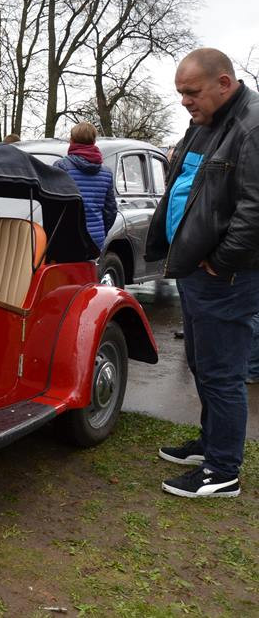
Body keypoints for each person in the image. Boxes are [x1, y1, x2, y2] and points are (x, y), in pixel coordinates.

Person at [146, 48, 259, 499]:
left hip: (226, 276)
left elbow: (255, 209)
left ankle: (223, 471)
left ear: (224, 83)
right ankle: (211, 444)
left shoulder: (251, 127)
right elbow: (184, 188)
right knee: (201, 363)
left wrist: (222, 261)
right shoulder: (205, 125)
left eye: (191, 92)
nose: (184, 101)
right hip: (196, 268)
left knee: (222, 372)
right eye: (180, 93)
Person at [52, 122, 117, 251]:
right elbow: (110, 210)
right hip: (95, 239)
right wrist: (101, 232)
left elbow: (53, 206)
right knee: (89, 271)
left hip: (67, 237)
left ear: (72, 141)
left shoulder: (61, 167)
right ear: (93, 141)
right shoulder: (106, 172)